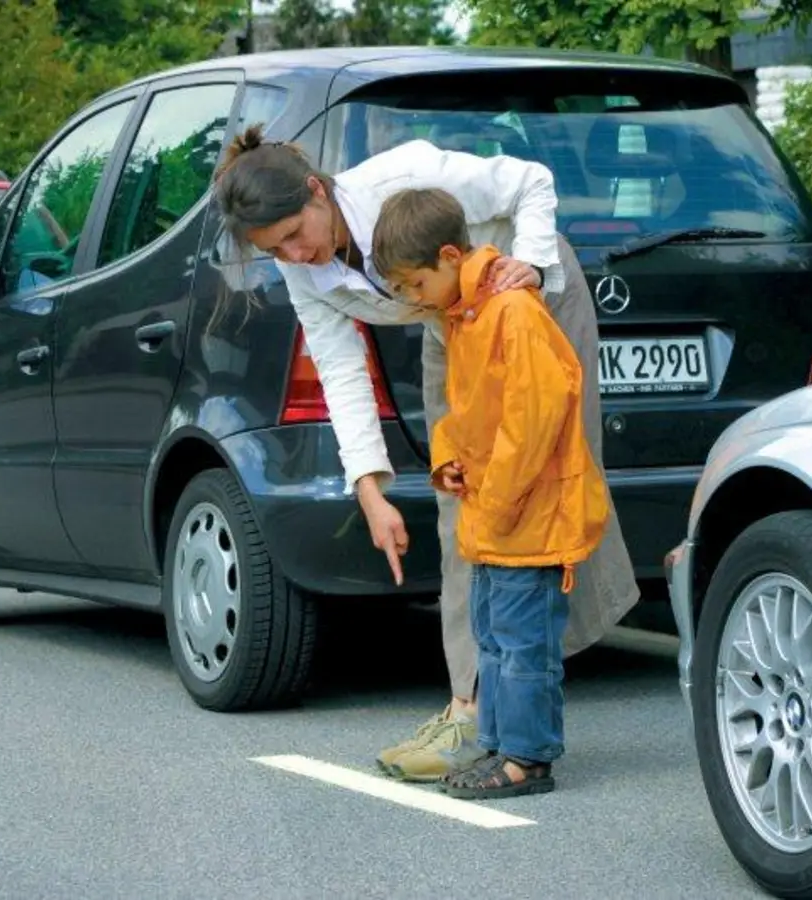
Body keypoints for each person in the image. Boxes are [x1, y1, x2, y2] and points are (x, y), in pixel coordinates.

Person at [212, 124, 640, 782]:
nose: (295, 254)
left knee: (543, 484)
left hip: (527, 301)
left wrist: (529, 264)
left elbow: (530, 181)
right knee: (461, 501)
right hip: (448, 316)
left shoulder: (405, 176)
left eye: (296, 233)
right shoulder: (303, 270)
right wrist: (369, 489)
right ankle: (475, 710)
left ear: (317, 192)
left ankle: (515, 722)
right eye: (277, 251)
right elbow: (340, 365)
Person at [372, 187, 608, 798]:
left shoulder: (512, 311)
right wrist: (448, 458)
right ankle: (500, 747)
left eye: (414, 286)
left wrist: (498, 499)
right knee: (494, 639)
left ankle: (527, 759)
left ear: (450, 256)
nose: (412, 301)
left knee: (525, 644)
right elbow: (464, 406)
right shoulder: (464, 317)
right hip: (492, 516)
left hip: (525, 515)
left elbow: (536, 415)